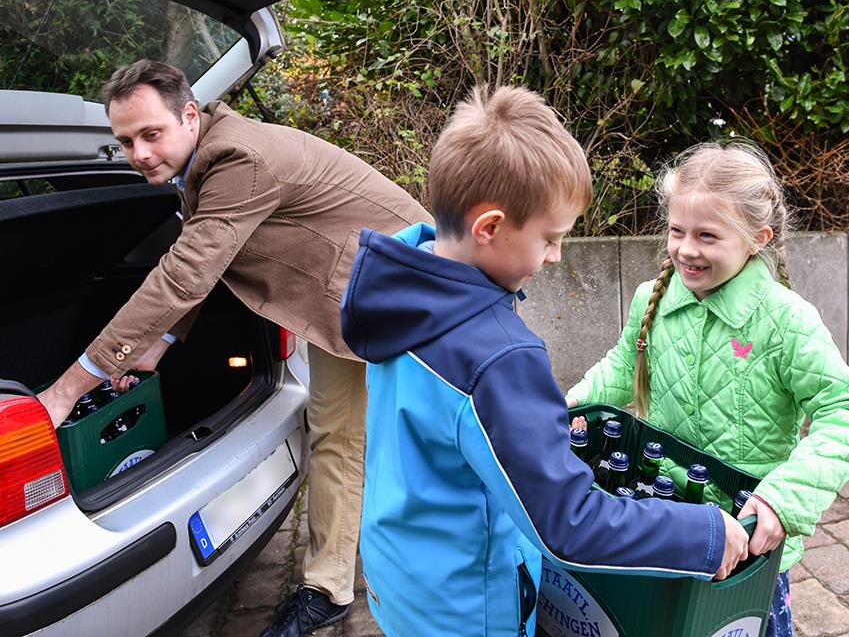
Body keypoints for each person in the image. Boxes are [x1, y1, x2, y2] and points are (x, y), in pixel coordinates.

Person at [35, 59, 432, 637]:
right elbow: (207, 254)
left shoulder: (237, 159)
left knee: (420, 438)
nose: (140, 153)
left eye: (151, 134)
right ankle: (331, 585)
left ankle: (441, 569)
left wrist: (66, 391)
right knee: (336, 435)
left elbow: (184, 274)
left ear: (189, 115)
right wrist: (161, 343)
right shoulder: (204, 159)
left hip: (409, 297)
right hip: (345, 302)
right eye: (126, 141)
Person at [339, 86, 749, 637]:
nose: (556, 256)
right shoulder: (498, 356)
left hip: (403, 580)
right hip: (469, 609)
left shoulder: (400, 285)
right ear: (489, 227)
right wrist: (703, 535)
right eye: (550, 239)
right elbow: (567, 523)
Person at [567, 141, 849, 637]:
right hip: (663, 519)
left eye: (708, 235)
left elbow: (840, 408)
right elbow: (621, 364)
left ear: (756, 238)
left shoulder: (787, 321)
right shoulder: (651, 299)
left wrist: (784, 499)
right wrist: (568, 405)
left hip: (748, 544)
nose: (686, 249)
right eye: (677, 231)